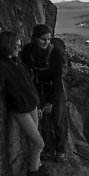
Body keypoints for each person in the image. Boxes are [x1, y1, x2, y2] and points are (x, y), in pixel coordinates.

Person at [0, 31, 58, 176]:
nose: (19, 47)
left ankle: (39, 169)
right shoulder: (0, 64)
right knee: (39, 143)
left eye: (19, 44)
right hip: (20, 110)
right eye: (16, 44)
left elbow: (28, 83)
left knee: (34, 143)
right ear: (8, 45)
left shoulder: (16, 61)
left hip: (31, 106)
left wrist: (37, 104)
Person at [20, 24, 69, 161]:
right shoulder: (28, 51)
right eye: (43, 39)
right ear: (35, 39)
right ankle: (49, 149)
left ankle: (60, 150)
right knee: (45, 121)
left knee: (58, 120)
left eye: (48, 39)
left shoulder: (54, 53)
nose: (46, 42)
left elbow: (58, 80)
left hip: (55, 88)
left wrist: (50, 102)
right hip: (39, 89)